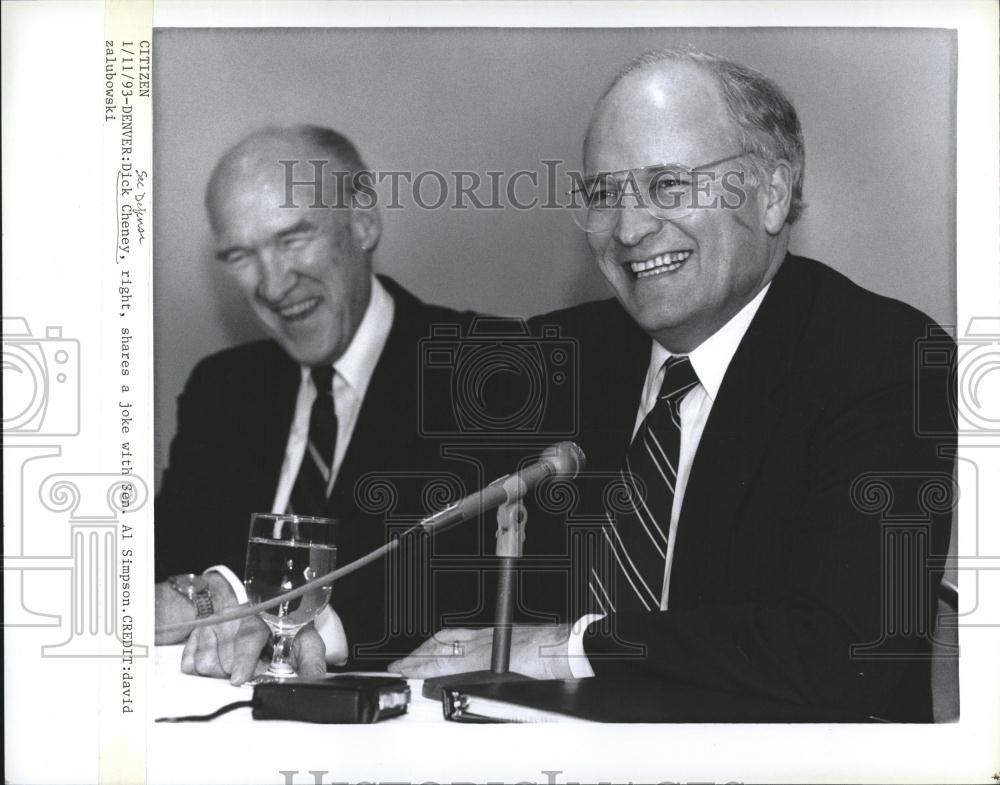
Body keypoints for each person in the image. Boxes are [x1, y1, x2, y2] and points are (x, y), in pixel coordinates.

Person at [391, 49, 955, 721]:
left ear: (772, 193)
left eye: (667, 186)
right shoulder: (563, 353)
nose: (628, 230)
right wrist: (316, 626)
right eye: (604, 195)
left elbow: (850, 649)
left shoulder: (879, 360)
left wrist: (570, 646)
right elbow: (441, 557)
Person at [154, 125, 495, 681]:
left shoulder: (478, 370)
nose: (271, 283)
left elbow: (458, 588)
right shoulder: (221, 389)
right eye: (241, 255)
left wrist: (248, 606)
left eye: (292, 240)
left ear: (362, 221)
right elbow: (166, 568)